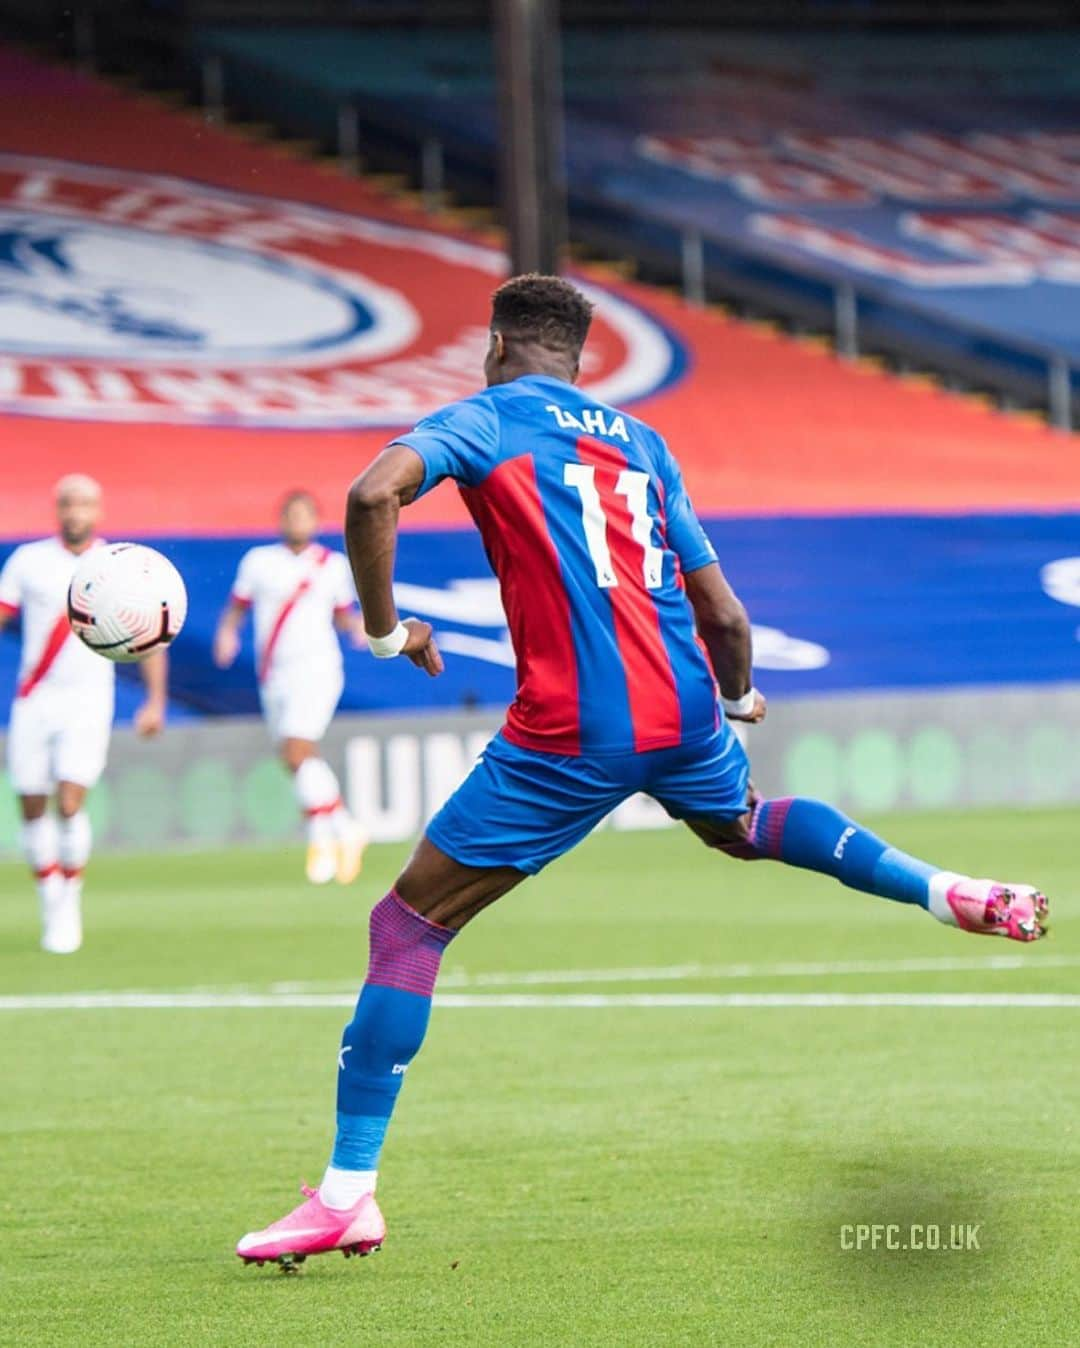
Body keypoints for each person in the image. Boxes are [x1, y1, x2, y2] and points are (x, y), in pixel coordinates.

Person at [236, 274, 1049, 1267]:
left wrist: (383, 626)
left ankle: (346, 1193)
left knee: (408, 922)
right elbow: (727, 619)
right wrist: (738, 697)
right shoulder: (643, 441)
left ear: (495, 343)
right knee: (740, 822)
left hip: (573, 724)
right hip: (683, 706)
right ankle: (944, 887)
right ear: (580, 356)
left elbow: (371, 494)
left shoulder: (484, 418)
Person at [0, 474, 168, 954]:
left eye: (85, 504)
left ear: (98, 510)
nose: (77, 513)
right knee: (31, 805)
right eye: (69, 504)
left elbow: (153, 634)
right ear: (58, 509)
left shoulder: (123, 566)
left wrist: (155, 701)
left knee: (69, 803)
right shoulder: (28, 562)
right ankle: (49, 895)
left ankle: (67, 902)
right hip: (33, 699)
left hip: (88, 702)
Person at [214, 490, 368, 886]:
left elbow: (343, 614)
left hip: (316, 669)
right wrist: (227, 634)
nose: (297, 521)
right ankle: (343, 828)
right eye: (291, 514)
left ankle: (324, 838)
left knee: (297, 749)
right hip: (273, 673)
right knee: (295, 757)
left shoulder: (331, 565)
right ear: (281, 519)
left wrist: (359, 631)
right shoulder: (259, 562)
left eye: (305, 515)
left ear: (316, 522)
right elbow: (237, 607)